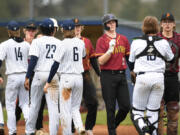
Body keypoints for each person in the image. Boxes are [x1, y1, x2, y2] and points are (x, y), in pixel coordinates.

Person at [129, 16, 174, 135]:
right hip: (159, 78)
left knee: (136, 112)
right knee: (153, 112)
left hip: (142, 77)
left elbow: (131, 63)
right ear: (157, 27)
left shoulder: (136, 41)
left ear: (143, 27)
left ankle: (144, 130)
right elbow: (171, 59)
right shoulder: (163, 42)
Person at [44, 19, 86, 135]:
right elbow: (84, 56)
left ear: (63, 30)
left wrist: (48, 81)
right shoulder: (81, 42)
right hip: (79, 78)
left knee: (65, 110)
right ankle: (80, 127)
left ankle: (68, 133)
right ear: (73, 30)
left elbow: (55, 64)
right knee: (75, 108)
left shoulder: (62, 44)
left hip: (67, 78)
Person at [24, 18, 61, 135]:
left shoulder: (36, 41)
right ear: (52, 30)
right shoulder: (59, 42)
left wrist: (27, 77)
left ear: (42, 29)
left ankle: (29, 131)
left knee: (34, 104)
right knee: (53, 107)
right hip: (53, 76)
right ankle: (53, 132)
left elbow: (33, 61)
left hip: (39, 74)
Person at [95, 13, 131, 135]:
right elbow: (100, 61)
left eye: (113, 22)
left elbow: (128, 58)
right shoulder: (101, 40)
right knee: (110, 107)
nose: (112, 24)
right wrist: (109, 51)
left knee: (125, 106)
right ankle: (112, 132)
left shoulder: (124, 39)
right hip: (107, 76)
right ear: (105, 25)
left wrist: (133, 71)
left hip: (121, 75)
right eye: (109, 23)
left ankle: (114, 124)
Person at [0, 20, 30, 135]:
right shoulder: (27, 45)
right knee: (25, 104)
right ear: (18, 31)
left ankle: (12, 132)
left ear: (9, 32)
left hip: (12, 77)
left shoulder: (4, 45)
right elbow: (32, 61)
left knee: (10, 106)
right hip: (24, 76)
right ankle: (29, 130)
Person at [73, 18, 100, 135]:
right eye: (74, 26)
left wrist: (100, 74)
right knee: (70, 104)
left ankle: (89, 128)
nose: (77, 28)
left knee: (93, 102)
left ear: (82, 27)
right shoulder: (66, 41)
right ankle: (70, 129)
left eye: (79, 26)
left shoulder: (87, 41)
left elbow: (93, 59)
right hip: (71, 74)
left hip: (85, 74)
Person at [157, 12, 180, 135]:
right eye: (164, 22)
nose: (167, 24)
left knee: (173, 110)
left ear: (174, 24)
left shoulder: (179, 39)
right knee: (158, 111)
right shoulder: (155, 38)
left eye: (170, 22)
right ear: (161, 24)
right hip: (157, 78)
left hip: (172, 78)